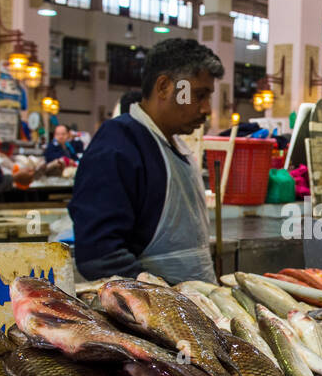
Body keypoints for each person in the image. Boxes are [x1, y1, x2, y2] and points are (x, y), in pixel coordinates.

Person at [69, 38, 223, 284]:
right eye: (198, 95)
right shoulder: (119, 144)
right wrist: (161, 301)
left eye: (209, 97)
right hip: (153, 316)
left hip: (195, 304)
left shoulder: (175, 145)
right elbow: (100, 255)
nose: (206, 108)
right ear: (163, 86)